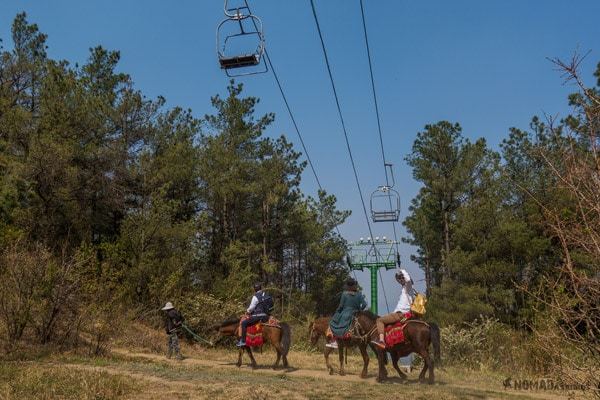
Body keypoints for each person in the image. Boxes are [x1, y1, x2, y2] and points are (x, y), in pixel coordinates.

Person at [372, 269, 414, 349]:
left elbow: (408, 280)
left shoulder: (408, 287)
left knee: (379, 320)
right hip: (401, 313)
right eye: (399, 278)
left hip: (400, 314)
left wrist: (403, 270)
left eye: (402, 278)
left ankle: (381, 341)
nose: (401, 280)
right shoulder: (407, 289)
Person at [328, 278, 367, 346]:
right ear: (354, 285)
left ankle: (335, 341)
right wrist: (360, 310)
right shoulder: (359, 294)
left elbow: (341, 306)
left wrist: (337, 312)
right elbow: (364, 304)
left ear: (347, 286)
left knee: (332, 322)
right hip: (356, 312)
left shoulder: (344, 294)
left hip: (346, 313)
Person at [236, 283, 272, 347]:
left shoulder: (256, 296)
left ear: (255, 289)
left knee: (244, 323)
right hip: (266, 316)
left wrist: (247, 312)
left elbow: (251, 308)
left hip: (258, 316)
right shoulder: (266, 295)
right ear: (260, 288)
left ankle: (243, 341)